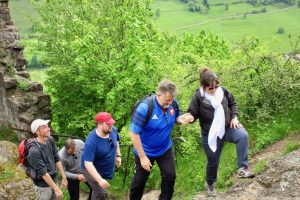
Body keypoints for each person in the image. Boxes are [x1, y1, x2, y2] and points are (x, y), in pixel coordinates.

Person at [186, 68, 255, 197]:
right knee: (213, 161)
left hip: (227, 128)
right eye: (210, 88)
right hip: (210, 134)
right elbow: (192, 113)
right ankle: (210, 184)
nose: (214, 90)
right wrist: (190, 118)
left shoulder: (222, 91)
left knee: (243, 135)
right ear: (204, 86)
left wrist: (234, 117)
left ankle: (242, 169)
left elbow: (233, 103)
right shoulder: (198, 97)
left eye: (215, 87)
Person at [129, 80, 191, 200]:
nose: (170, 102)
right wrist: (142, 157)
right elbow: (134, 133)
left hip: (164, 148)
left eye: (172, 99)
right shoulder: (145, 108)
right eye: (168, 99)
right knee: (139, 182)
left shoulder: (173, 103)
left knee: (170, 177)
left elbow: (176, 118)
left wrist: (180, 120)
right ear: (158, 94)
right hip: (145, 151)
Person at [81, 112, 121, 200]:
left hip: (104, 168)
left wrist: (118, 155)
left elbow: (116, 141)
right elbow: (88, 164)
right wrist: (99, 180)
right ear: (100, 124)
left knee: (96, 190)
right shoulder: (91, 142)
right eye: (108, 124)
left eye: (111, 123)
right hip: (89, 169)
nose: (111, 125)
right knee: (100, 193)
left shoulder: (112, 130)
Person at [28, 119, 68, 200]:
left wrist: (64, 177)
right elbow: (43, 173)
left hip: (54, 178)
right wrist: (57, 189)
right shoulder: (34, 151)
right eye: (44, 127)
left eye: (47, 126)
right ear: (37, 131)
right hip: (42, 185)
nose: (48, 128)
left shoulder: (50, 139)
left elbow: (57, 158)